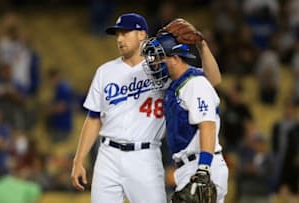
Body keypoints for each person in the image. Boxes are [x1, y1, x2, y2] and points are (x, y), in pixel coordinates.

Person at [71, 13, 222, 203]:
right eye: (117, 35)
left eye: (125, 33)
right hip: (107, 153)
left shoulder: (161, 66)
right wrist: (78, 160)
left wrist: (202, 46)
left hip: (145, 154)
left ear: (142, 34)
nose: (120, 39)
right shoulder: (105, 71)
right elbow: (94, 118)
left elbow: (212, 80)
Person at [141, 32, 228, 202]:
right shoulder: (177, 84)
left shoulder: (195, 83)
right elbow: (215, 79)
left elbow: (207, 125)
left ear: (174, 58)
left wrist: (203, 169)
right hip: (189, 167)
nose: (155, 65)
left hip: (202, 164)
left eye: (159, 59)